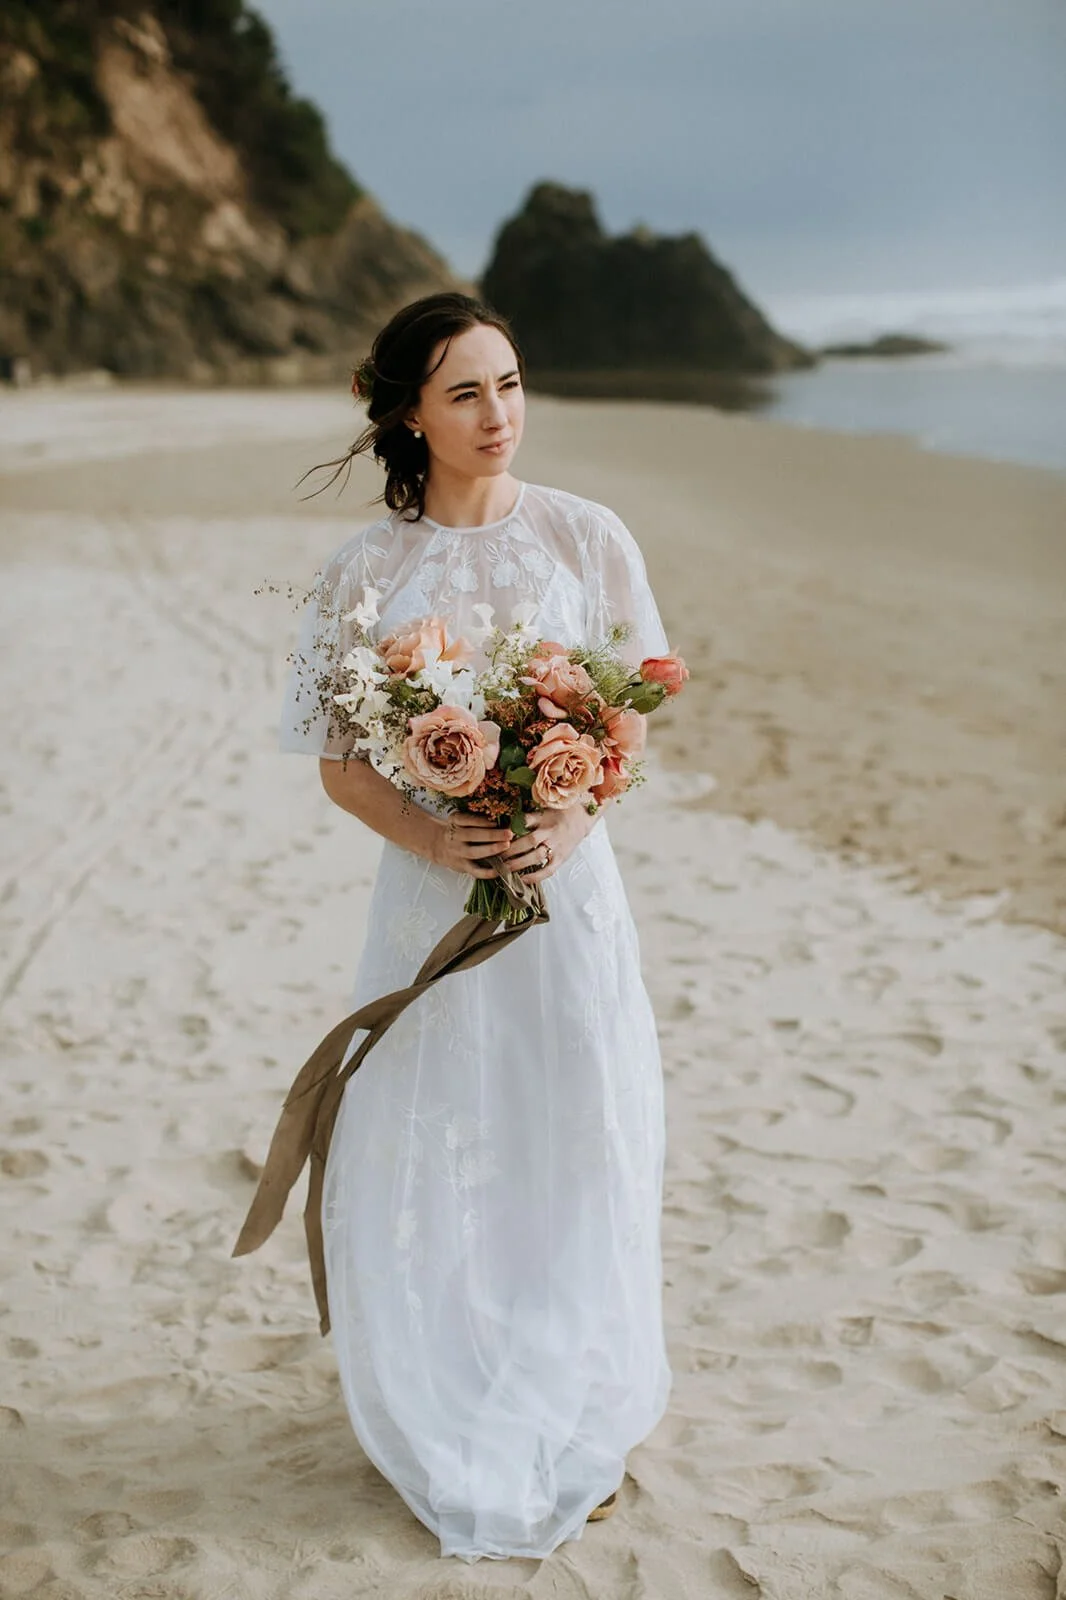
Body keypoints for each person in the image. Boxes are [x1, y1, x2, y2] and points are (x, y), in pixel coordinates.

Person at [279, 292, 672, 1562]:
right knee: (443, 1127)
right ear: (407, 413)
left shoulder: (587, 534)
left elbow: (631, 713)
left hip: (570, 891)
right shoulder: (363, 573)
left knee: (576, 1126)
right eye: (464, 392)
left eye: (508, 383)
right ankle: (455, 1387)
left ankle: (570, 1398)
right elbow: (342, 762)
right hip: (429, 898)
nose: (497, 414)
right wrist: (443, 837)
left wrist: (567, 818)